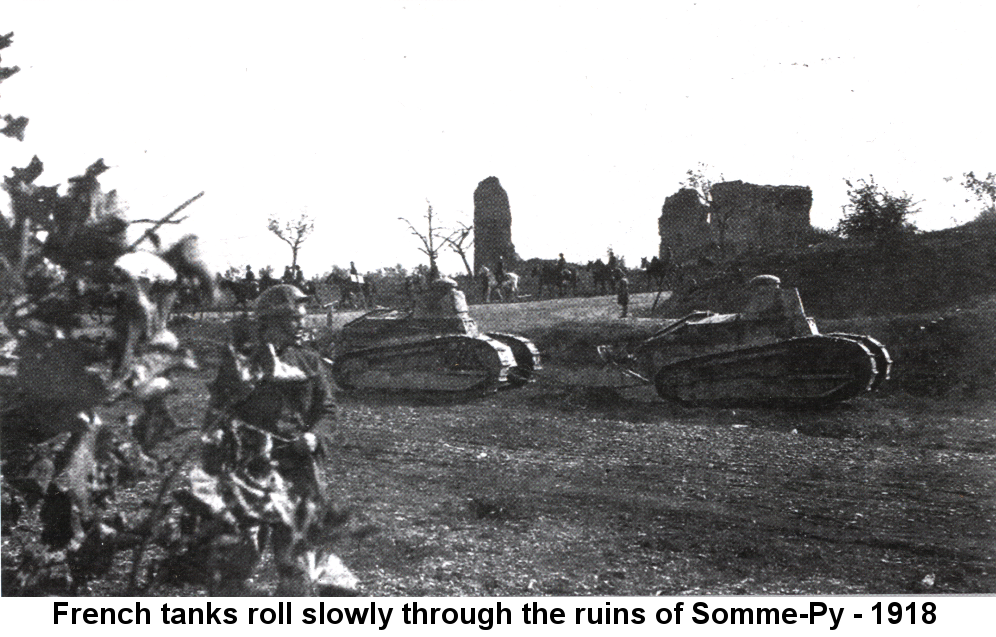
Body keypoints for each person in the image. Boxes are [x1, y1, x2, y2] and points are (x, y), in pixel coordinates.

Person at [174, 284, 356, 595]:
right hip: (249, 470)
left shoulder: (309, 361)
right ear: (268, 323)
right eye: (293, 320)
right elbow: (216, 418)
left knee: (298, 557)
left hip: (298, 470)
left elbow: (326, 409)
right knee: (239, 556)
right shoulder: (241, 364)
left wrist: (314, 437)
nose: (300, 325)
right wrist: (213, 471)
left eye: (302, 318)